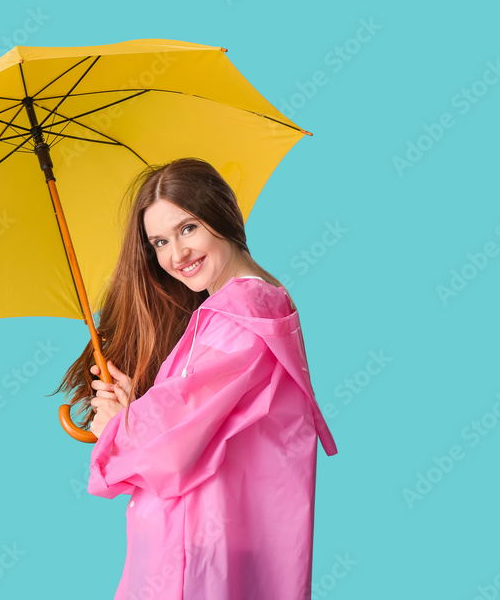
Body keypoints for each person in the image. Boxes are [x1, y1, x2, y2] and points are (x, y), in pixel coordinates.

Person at [53, 157, 338, 600]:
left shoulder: (243, 313)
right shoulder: (240, 309)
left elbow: (173, 452)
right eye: (160, 242)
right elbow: (197, 417)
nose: (176, 255)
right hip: (210, 547)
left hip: (197, 559)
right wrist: (135, 410)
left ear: (221, 214)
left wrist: (119, 425)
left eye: (188, 229)